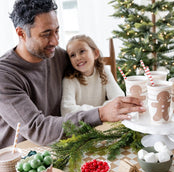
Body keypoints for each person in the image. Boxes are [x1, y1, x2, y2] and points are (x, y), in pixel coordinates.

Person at [0, 0, 145, 149]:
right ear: (21, 33)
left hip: (63, 147)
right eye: (46, 34)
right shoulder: (5, 76)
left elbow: (94, 72)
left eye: (56, 31)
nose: (55, 41)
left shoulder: (57, 56)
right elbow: (38, 129)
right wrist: (100, 113)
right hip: (18, 159)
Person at [61, 34, 125, 115]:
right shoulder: (69, 80)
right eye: (72, 55)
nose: (78, 57)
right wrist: (101, 110)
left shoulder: (104, 71)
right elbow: (67, 110)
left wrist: (100, 112)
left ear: (95, 53)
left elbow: (118, 97)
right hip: (81, 124)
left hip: (104, 120)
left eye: (82, 51)